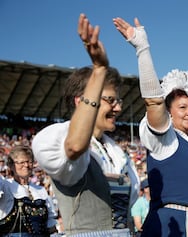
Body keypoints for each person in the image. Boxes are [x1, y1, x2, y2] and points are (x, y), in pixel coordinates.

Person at [113, 17, 188, 236]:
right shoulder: (165, 139)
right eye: (182, 107)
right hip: (180, 225)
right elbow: (154, 102)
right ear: (168, 112)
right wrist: (142, 49)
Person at [32, 13, 139, 236]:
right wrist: (99, 69)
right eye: (110, 100)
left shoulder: (116, 151)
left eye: (118, 101)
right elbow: (74, 148)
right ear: (81, 101)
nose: (118, 108)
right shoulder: (56, 137)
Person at [0, 145, 58, 236]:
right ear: (11, 165)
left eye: (29, 162)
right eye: (21, 162)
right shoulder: (5, 186)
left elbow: (51, 226)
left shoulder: (40, 190)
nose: (26, 165)